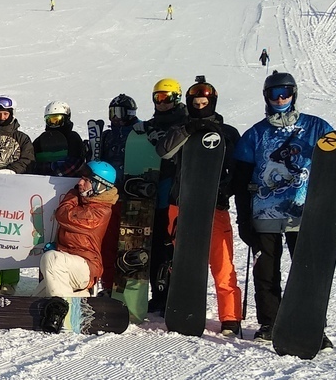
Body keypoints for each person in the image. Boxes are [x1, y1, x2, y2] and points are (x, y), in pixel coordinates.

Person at [232, 71, 336, 343]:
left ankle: (311, 323)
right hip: (264, 215)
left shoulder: (316, 128)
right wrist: (243, 221)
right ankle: (270, 323)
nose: (280, 99)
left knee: (307, 274)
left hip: (304, 215)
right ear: (266, 97)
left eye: (285, 93)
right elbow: (241, 181)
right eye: (274, 94)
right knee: (266, 273)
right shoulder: (255, 135)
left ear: (294, 94)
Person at [151, 78, 243, 336]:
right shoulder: (181, 128)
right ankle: (185, 308)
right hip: (181, 205)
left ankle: (230, 318)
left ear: (212, 103)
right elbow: (164, 151)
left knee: (222, 263)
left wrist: (227, 188)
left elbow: (238, 168)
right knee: (184, 262)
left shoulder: (228, 133)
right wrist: (188, 129)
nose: (199, 107)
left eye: (204, 103)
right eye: (195, 103)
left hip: (215, 206)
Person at [32, 160, 119, 332]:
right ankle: (80, 298)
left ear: (100, 185)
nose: (79, 182)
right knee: (36, 299)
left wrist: (71, 195)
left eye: (86, 180)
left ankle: (64, 311)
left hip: (87, 267)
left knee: (51, 259)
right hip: (70, 266)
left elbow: (64, 215)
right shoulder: (85, 202)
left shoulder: (102, 210)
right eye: (81, 178)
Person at [136, 78, 188, 313]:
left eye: (167, 98)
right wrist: (135, 130)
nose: (163, 103)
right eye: (158, 98)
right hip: (155, 190)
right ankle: (158, 294)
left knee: (173, 245)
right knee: (155, 244)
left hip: (177, 191)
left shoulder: (185, 123)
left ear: (177, 98)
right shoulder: (150, 125)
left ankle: (174, 294)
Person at [97, 94, 138, 294]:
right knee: (108, 243)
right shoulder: (108, 135)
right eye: (112, 113)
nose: (115, 117)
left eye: (119, 113)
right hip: (110, 196)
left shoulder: (138, 133)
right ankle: (108, 283)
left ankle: (129, 287)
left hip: (133, 197)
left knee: (130, 245)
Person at [32, 101, 89, 177]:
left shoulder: (72, 138)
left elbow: (76, 163)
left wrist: (55, 171)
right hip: (43, 182)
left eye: (57, 120)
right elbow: (32, 164)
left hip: (67, 181)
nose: (53, 124)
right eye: (50, 120)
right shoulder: (39, 141)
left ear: (66, 118)